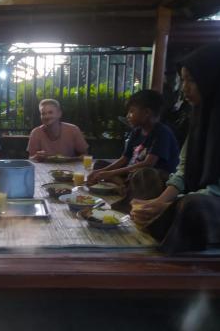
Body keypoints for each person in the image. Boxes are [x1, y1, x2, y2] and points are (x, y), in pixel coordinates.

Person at [131, 44, 220, 254]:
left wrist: (171, 205)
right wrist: (159, 202)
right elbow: (183, 170)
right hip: (194, 196)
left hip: (210, 206)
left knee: (192, 206)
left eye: (192, 80)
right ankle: (163, 220)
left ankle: (173, 235)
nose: (184, 88)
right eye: (183, 80)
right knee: (145, 176)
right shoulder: (200, 120)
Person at [88, 90, 179, 185]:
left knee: (141, 175)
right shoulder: (137, 131)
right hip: (133, 171)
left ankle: (121, 183)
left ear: (147, 112)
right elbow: (124, 159)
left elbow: (148, 164)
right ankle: (120, 182)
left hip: (152, 179)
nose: (128, 116)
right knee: (99, 165)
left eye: (132, 111)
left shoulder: (162, 132)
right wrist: (101, 171)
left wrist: (110, 173)